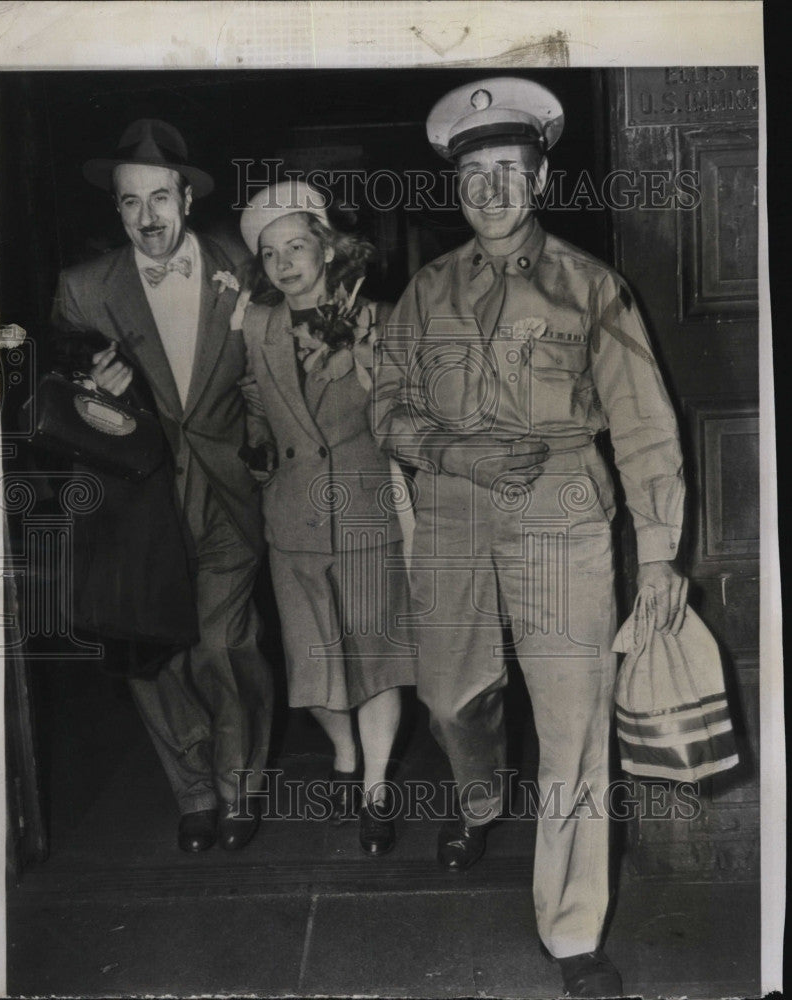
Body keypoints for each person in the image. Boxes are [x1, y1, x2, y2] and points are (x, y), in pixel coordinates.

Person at [374, 77, 688, 996]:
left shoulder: (594, 288)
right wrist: (451, 451)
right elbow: (386, 402)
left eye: (508, 173)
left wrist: (660, 549)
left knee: (577, 725)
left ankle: (574, 929)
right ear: (456, 188)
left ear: (540, 177)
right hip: (452, 513)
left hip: (561, 516)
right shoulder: (424, 291)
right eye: (475, 178)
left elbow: (644, 421)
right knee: (449, 697)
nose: (492, 193)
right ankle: (480, 790)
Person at [51, 118, 274, 854]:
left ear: (185, 196)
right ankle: (194, 792)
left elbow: (273, 364)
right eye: (129, 203)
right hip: (137, 500)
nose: (147, 218)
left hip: (225, 486)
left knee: (221, 644)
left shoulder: (243, 264)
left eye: (159, 198)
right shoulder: (84, 289)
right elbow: (60, 387)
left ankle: (239, 788)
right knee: (152, 653)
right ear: (115, 210)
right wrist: (94, 385)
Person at [236, 180, 415, 856]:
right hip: (293, 519)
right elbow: (252, 420)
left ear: (328, 248)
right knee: (313, 671)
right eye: (272, 253)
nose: (286, 264)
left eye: (298, 246)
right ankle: (342, 750)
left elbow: (414, 420)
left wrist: (376, 381)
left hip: (369, 510)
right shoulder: (255, 327)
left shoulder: (383, 318)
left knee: (376, 661)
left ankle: (374, 789)